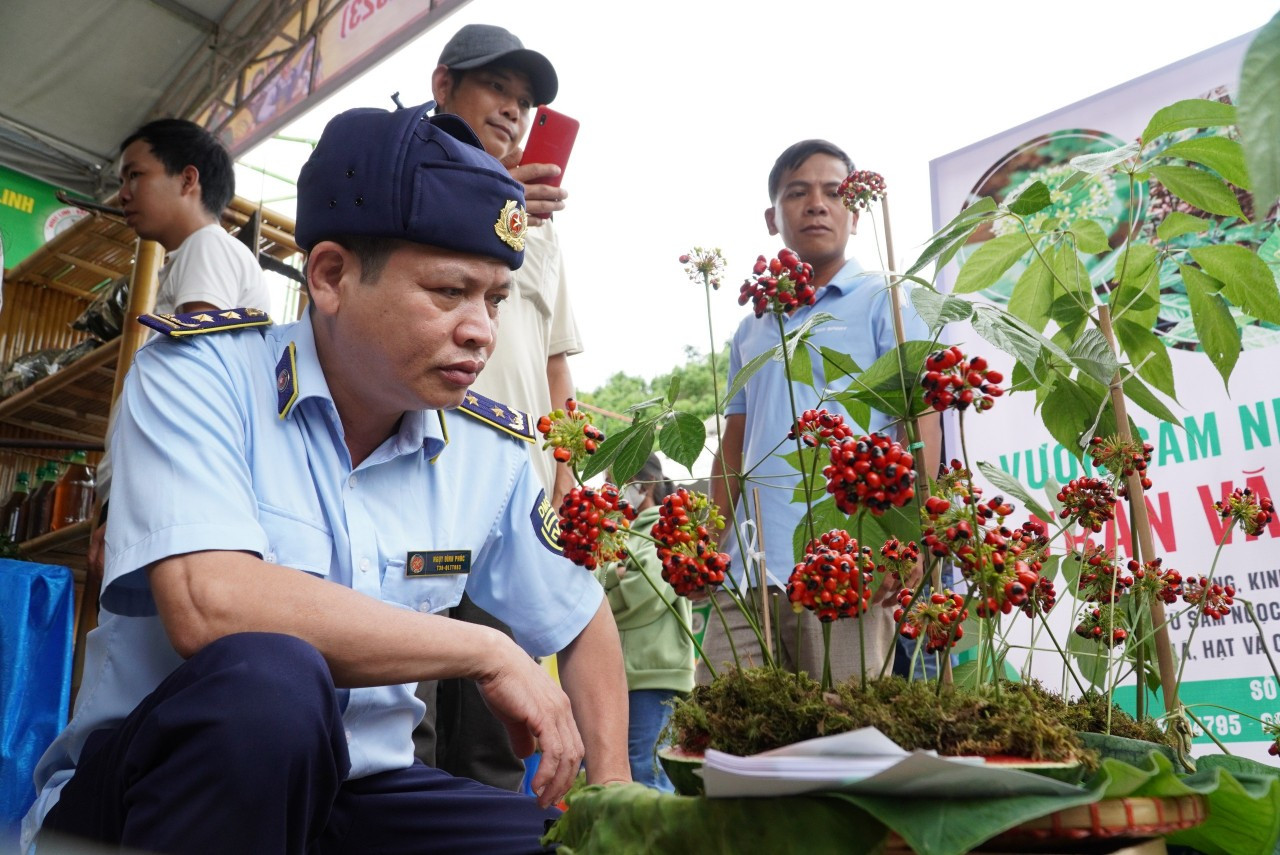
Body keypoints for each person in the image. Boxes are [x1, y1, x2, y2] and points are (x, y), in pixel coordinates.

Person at [22, 100, 629, 855]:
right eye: (448, 291)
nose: (481, 329)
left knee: (567, 849)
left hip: (362, 794)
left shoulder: (486, 451)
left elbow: (581, 616)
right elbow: (211, 604)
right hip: (160, 793)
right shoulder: (198, 378)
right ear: (332, 275)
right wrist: (487, 649)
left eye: (493, 298)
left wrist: (614, 802)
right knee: (268, 681)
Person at [701, 139, 942, 685]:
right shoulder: (750, 326)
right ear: (772, 217)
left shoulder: (889, 300)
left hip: (851, 561)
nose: (816, 204)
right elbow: (734, 444)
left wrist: (913, 539)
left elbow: (919, 421)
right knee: (722, 726)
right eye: (796, 192)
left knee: (847, 740)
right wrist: (707, 543)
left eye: (833, 192)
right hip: (750, 568)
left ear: (855, 213)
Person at [414, 23, 584, 792]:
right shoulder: (402, 176)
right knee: (401, 698)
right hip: (414, 466)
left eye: (525, 102)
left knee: (494, 718)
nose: (514, 112)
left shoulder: (541, 236)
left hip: (509, 496)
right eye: (497, 89)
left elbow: (557, 372)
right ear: (443, 84)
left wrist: (566, 475)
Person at [86, 119, 272, 576]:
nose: (123, 193)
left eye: (135, 175)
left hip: (164, 503)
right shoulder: (199, 254)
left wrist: (116, 512)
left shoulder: (207, 247)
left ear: (188, 179)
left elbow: (188, 384)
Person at [596, 455, 694, 791]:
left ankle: (658, 844)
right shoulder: (624, 534)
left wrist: (606, 579)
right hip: (626, 672)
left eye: (617, 481)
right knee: (628, 770)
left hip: (654, 673)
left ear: (644, 485)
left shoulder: (664, 530)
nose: (612, 492)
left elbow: (644, 597)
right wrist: (615, 575)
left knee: (647, 772)